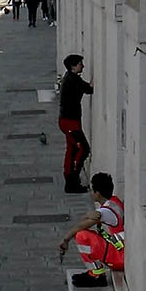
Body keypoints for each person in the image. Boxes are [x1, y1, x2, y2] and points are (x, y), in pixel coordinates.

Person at [58, 173, 125, 288]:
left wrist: (65, 239)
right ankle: (96, 272)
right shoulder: (115, 202)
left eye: (92, 190)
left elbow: (81, 226)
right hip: (122, 253)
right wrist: (89, 215)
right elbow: (88, 219)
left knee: (81, 236)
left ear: (97, 193)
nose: (91, 193)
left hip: (119, 257)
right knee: (92, 235)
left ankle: (96, 275)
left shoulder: (105, 212)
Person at [58, 54, 93, 193]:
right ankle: (72, 181)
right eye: (80, 64)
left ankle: (70, 180)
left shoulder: (70, 78)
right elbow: (89, 89)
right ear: (73, 66)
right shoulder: (73, 80)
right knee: (82, 149)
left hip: (68, 121)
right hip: (70, 122)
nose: (82, 66)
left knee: (72, 150)